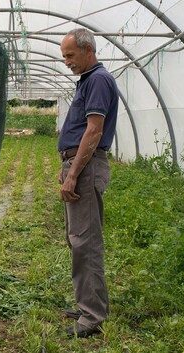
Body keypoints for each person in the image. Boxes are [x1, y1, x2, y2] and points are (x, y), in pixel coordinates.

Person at [57, 28, 119, 337]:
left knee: (86, 242)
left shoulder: (97, 80)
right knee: (77, 239)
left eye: (70, 55)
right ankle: (87, 305)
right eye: (64, 56)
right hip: (79, 165)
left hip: (86, 168)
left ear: (88, 51)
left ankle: (92, 317)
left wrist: (73, 173)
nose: (66, 61)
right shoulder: (89, 80)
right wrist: (66, 163)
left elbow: (93, 131)